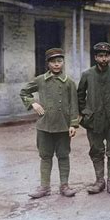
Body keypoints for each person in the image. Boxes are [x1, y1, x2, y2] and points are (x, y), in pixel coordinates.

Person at [20, 48, 78, 198]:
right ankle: (44, 187)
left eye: (59, 61)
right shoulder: (40, 80)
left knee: (63, 156)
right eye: (53, 61)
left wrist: (73, 124)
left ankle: (64, 186)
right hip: (44, 126)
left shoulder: (69, 82)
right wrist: (33, 103)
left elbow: (74, 105)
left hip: (63, 126)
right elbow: (24, 92)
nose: (57, 64)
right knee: (45, 156)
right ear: (48, 64)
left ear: (63, 62)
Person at [77, 42, 110, 194]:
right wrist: (85, 113)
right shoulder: (87, 75)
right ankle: (99, 181)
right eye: (100, 56)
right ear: (95, 57)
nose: (104, 59)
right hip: (94, 121)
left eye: (106, 56)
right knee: (96, 150)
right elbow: (79, 96)